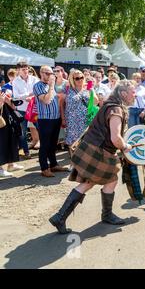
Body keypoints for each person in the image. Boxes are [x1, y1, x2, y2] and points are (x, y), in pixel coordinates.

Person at [49, 80, 136, 234]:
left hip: (92, 148)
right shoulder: (116, 109)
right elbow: (116, 138)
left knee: (104, 180)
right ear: (123, 94)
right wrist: (125, 146)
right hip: (98, 152)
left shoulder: (110, 105)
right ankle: (61, 217)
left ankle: (62, 217)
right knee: (91, 182)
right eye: (132, 92)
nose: (134, 94)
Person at [33, 66, 68, 177]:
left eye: (51, 73)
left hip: (55, 118)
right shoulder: (38, 86)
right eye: (47, 73)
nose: (50, 75)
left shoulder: (51, 86)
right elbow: (46, 100)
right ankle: (44, 168)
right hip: (45, 119)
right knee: (45, 145)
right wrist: (52, 86)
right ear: (41, 73)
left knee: (53, 144)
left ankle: (53, 164)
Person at [61, 69, 98, 155]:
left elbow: (96, 102)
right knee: (73, 141)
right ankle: (73, 159)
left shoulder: (88, 87)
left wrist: (91, 89)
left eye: (81, 77)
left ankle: (83, 160)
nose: (80, 79)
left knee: (85, 140)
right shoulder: (67, 89)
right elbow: (61, 104)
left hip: (86, 119)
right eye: (77, 78)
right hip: (72, 120)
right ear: (72, 79)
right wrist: (63, 118)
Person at [0, 91, 23, 177]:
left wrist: (8, 101)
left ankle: (11, 165)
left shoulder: (3, 92)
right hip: (1, 123)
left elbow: (13, 108)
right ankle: (0, 169)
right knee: (1, 145)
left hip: (8, 122)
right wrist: (1, 102)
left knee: (10, 142)